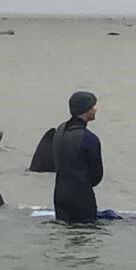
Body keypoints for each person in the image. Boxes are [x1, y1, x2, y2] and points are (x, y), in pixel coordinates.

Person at [52, 91, 103, 223]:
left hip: (59, 196)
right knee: (85, 236)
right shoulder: (90, 139)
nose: (96, 109)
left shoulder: (59, 130)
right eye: (93, 106)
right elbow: (96, 177)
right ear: (86, 109)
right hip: (81, 199)